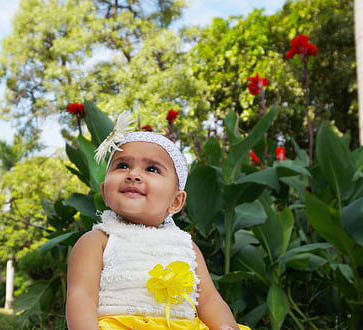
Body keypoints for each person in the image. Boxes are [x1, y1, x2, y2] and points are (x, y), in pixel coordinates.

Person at [66, 113, 249, 330]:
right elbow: (81, 295)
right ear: (105, 191)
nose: (133, 174)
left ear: (176, 201)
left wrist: (225, 326)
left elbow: (209, 300)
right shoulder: (99, 240)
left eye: (152, 169)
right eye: (122, 165)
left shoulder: (186, 246)